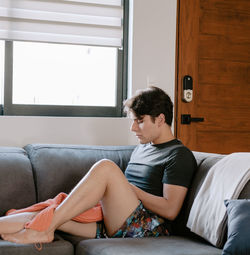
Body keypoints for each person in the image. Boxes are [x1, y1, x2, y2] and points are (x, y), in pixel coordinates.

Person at [0, 86, 197, 245]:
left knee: (106, 167)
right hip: (113, 220)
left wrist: (130, 190)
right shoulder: (142, 149)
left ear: (160, 119)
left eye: (140, 121)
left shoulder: (178, 155)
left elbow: (171, 209)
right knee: (47, 214)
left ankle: (44, 229)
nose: (133, 128)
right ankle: (44, 227)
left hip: (148, 228)